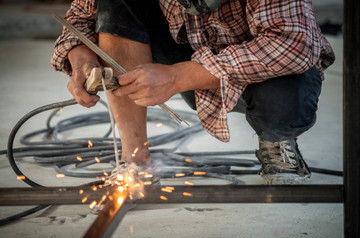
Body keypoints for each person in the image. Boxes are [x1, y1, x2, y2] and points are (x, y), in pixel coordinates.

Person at [51, 0, 335, 184]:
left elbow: (294, 43)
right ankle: (135, 158)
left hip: (266, 67)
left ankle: (277, 141)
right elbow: (80, 16)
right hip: (191, 54)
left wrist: (177, 77)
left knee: (283, 105)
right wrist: (80, 58)